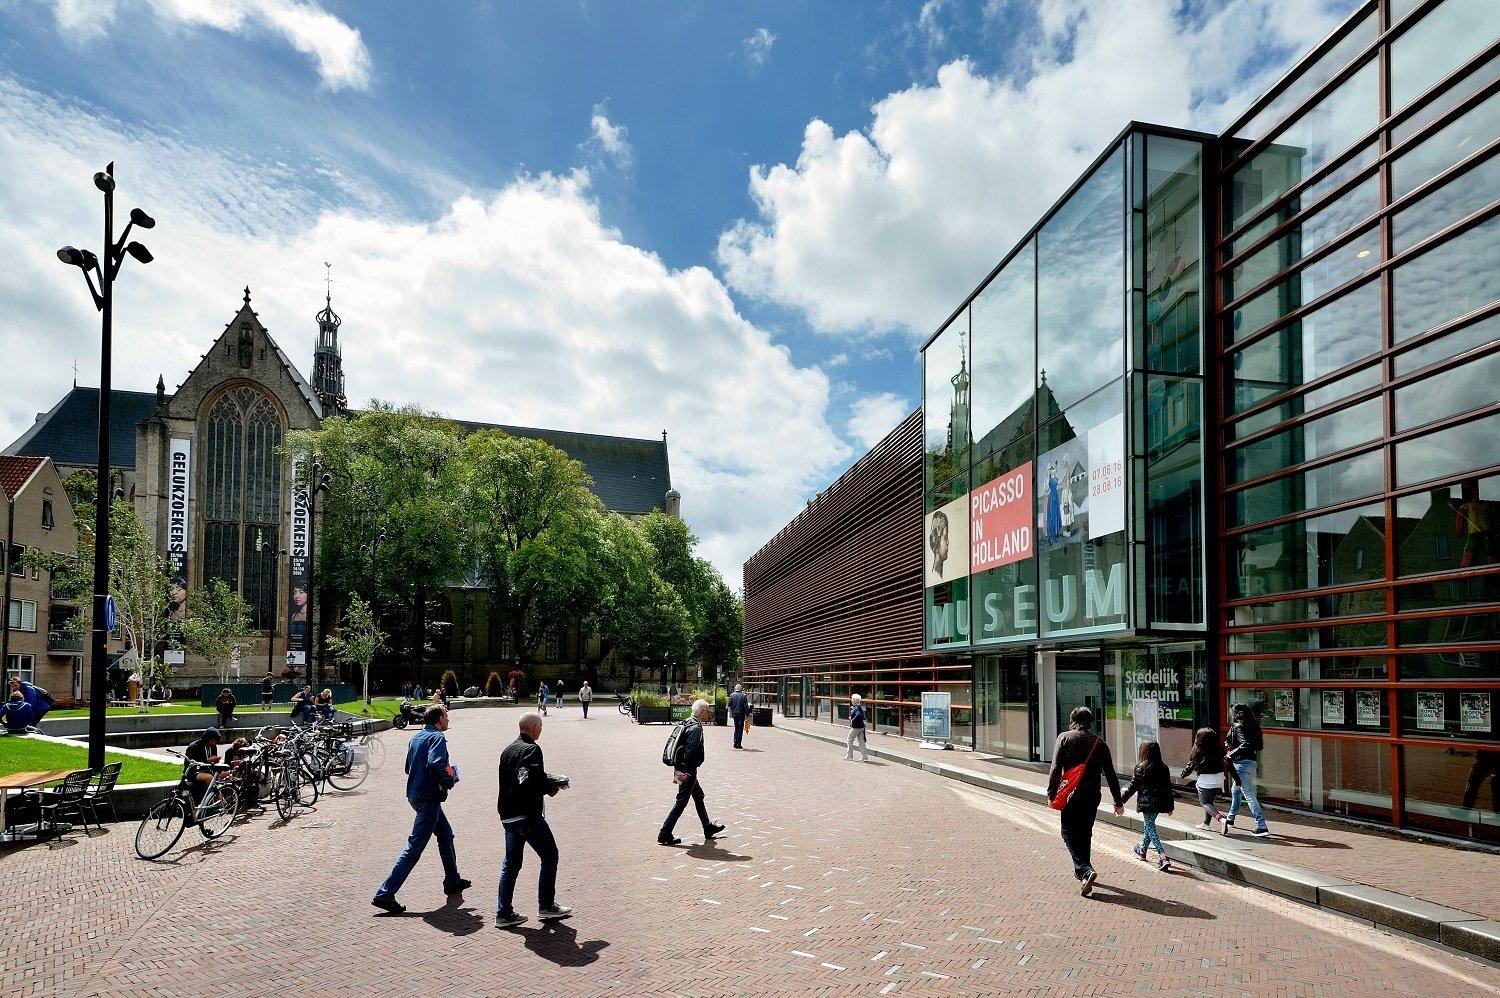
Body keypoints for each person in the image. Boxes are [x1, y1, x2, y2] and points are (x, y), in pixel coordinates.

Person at [373, 706, 470, 915]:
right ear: (439, 719)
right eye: (446, 716)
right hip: (429, 797)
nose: (448, 720)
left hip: (415, 794)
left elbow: (409, 768)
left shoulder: (416, 737)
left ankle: (452, 880)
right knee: (414, 847)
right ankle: (385, 893)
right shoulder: (437, 738)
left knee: (445, 834)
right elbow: (436, 764)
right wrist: (450, 778)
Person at [495, 711, 572, 927]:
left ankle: (503, 912)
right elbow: (529, 781)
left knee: (511, 864)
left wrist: (546, 782)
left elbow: (519, 778)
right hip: (527, 815)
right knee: (550, 855)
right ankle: (546, 906)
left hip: (508, 815)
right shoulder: (532, 749)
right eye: (540, 727)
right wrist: (551, 787)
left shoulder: (508, 750)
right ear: (534, 728)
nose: (541, 731)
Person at [1045, 706, 1123, 896]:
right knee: (1085, 832)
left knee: (1068, 833)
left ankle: (1085, 870)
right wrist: (1117, 801)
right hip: (1092, 794)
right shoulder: (1099, 742)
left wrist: (1051, 793)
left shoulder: (1064, 738)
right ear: (1090, 721)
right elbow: (1111, 775)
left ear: (1072, 720)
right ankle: (1083, 875)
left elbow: (1055, 769)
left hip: (1072, 794)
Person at [658, 698, 726, 846]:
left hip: (681, 767)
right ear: (701, 712)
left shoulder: (687, 721)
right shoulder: (695, 728)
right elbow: (691, 752)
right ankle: (665, 833)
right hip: (688, 770)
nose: (709, 714)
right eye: (707, 712)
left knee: (698, 795)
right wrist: (687, 772)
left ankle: (707, 828)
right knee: (681, 801)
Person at [1121, 739, 1174, 872]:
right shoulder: (1164, 767)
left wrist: (1120, 801)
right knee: (1148, 825)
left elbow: (1132, 787)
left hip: (1146, 803)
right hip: (1160, 803)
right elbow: (1168, 788)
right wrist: (1170, 806)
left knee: (1150, 826)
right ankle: (1142, 851)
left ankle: (1162, 856)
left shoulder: (1141, 767)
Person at [1223, 702, 1271, 837]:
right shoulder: (1254, 725)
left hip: (1241, 764)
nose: (1229, 714)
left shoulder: (1238, 727)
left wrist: (1230, 754)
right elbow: (1259, 746)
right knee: (1235, 791)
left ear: (1236, 714)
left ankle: (1262, 826)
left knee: (1248, 794)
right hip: (1251, 763)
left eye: (1231, 712)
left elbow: (1244, 744)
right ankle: (1230, 819)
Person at [1181, 727, 1227, 832]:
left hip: (1206, 780)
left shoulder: (1198, 749)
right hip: (1219, 779)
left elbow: (1190, 765)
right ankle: (1206, 824)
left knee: (1205, 803)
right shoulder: (1218, 748)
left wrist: (1184, 774)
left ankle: (1221, 819)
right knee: (1209, 802)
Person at [182, 727, 223, 821]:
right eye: (212, 741)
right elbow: (193, 764)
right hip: (194, 772)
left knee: (226, 774)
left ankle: (228, 799)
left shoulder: (213, 747)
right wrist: (207, 761)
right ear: (207, 738)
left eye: (215, 742)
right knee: (209, 778)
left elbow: (212, 763)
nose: (213, 744)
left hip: (207, 770)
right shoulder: (194, 747)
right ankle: (218, 801)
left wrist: (215, 762)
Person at [844, 693, 868, 762]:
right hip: (862, 727)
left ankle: (849, 756)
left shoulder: (856, 708)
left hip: (856, 727)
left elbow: (858, 715)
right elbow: (860, 715)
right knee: (861, 742)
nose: (851, 701)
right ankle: (864, 757)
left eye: (852, 699)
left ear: (854, 700)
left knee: (849, 740)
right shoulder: (859, 707)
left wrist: (852, 720)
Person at [729, 684, 749, 749]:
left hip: (735, 714)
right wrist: (747, 713)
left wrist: (732, 709)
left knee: (736, 728)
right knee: (740, 729)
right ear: (741, 689)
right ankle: (739, 744)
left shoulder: (732, 695)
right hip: (741, 714)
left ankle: (735, 743)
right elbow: (746, 706)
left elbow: (729, 704)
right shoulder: (744, 695)